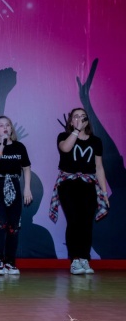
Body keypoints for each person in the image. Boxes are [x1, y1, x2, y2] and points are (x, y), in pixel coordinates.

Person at [50, 108, 109, 275]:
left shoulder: (96, 141)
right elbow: (65, 148)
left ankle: (84, 258)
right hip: (68, 184)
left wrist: (104, 193)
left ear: (87, 121)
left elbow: (99, 167)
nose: (80, 119)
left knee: (86, 222)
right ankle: (75, 259)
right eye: (76, 116)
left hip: (88, 184)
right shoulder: (63, 136)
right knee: (74, 220)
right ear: (70, 121)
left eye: (83, 117)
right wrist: (76, 131)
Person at [0, 116, 32, 275]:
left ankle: (10, 262)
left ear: (11, 128)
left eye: (7, 125)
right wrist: (2, 145)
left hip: (14, 185)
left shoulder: (19, 147)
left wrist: (27, 188)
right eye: (1, 125)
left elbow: (26, 168)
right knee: (1, 222)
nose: (5, 128)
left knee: (13, 226)